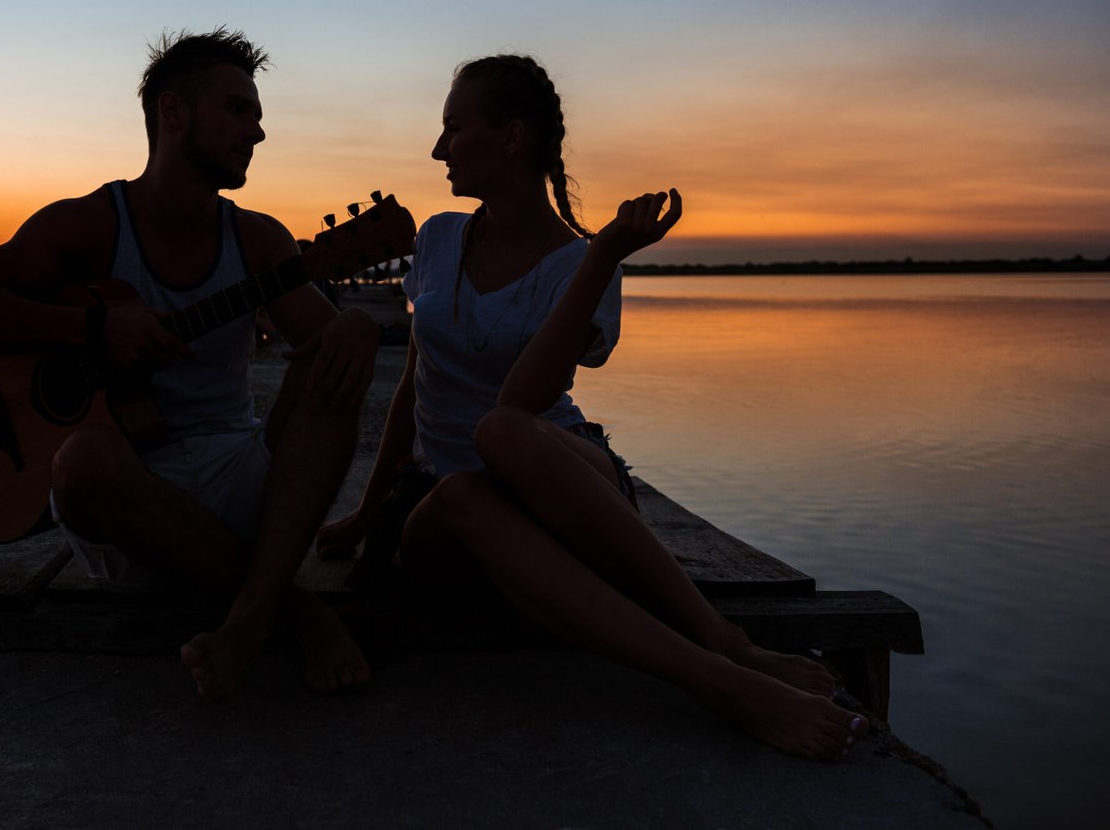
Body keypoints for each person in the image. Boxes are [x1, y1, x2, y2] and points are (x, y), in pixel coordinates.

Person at [317, 54, 867, 760]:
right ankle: (719, 679)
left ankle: (723, 639)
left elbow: (522, 404)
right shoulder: (439, 239)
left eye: (453, 128)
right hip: (446, 506)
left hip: (559, 482)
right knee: (464, 492)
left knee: (504, 433)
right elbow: (414, 383)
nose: (437, 149)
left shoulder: (580, 265)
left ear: (511, 138)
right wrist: (369, 510)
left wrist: (605, 254)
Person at [0, 28, 375, 701]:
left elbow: (328, 352)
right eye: (237, 110)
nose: (256, 132)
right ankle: (293, 611)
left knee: (330, 369)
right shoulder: (87, 226)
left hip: (238, 483)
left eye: (257, 115)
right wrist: (94, 326)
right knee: (80, 460)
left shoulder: (257, 239)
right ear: (173, 112)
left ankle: (249, 618)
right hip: (127, 513)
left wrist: (360, 325)